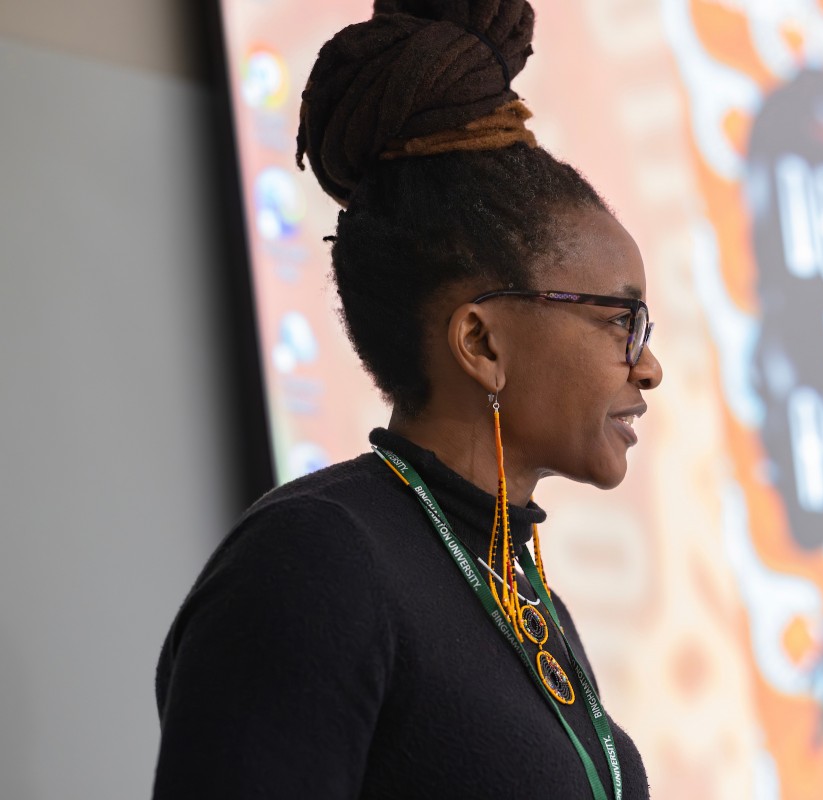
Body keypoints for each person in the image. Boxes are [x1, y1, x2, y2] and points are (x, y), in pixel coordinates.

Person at [151, 1, 661, 797]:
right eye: (619, 321)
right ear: (482, 344)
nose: (649, 366)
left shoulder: (523, 596)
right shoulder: (318, 562)